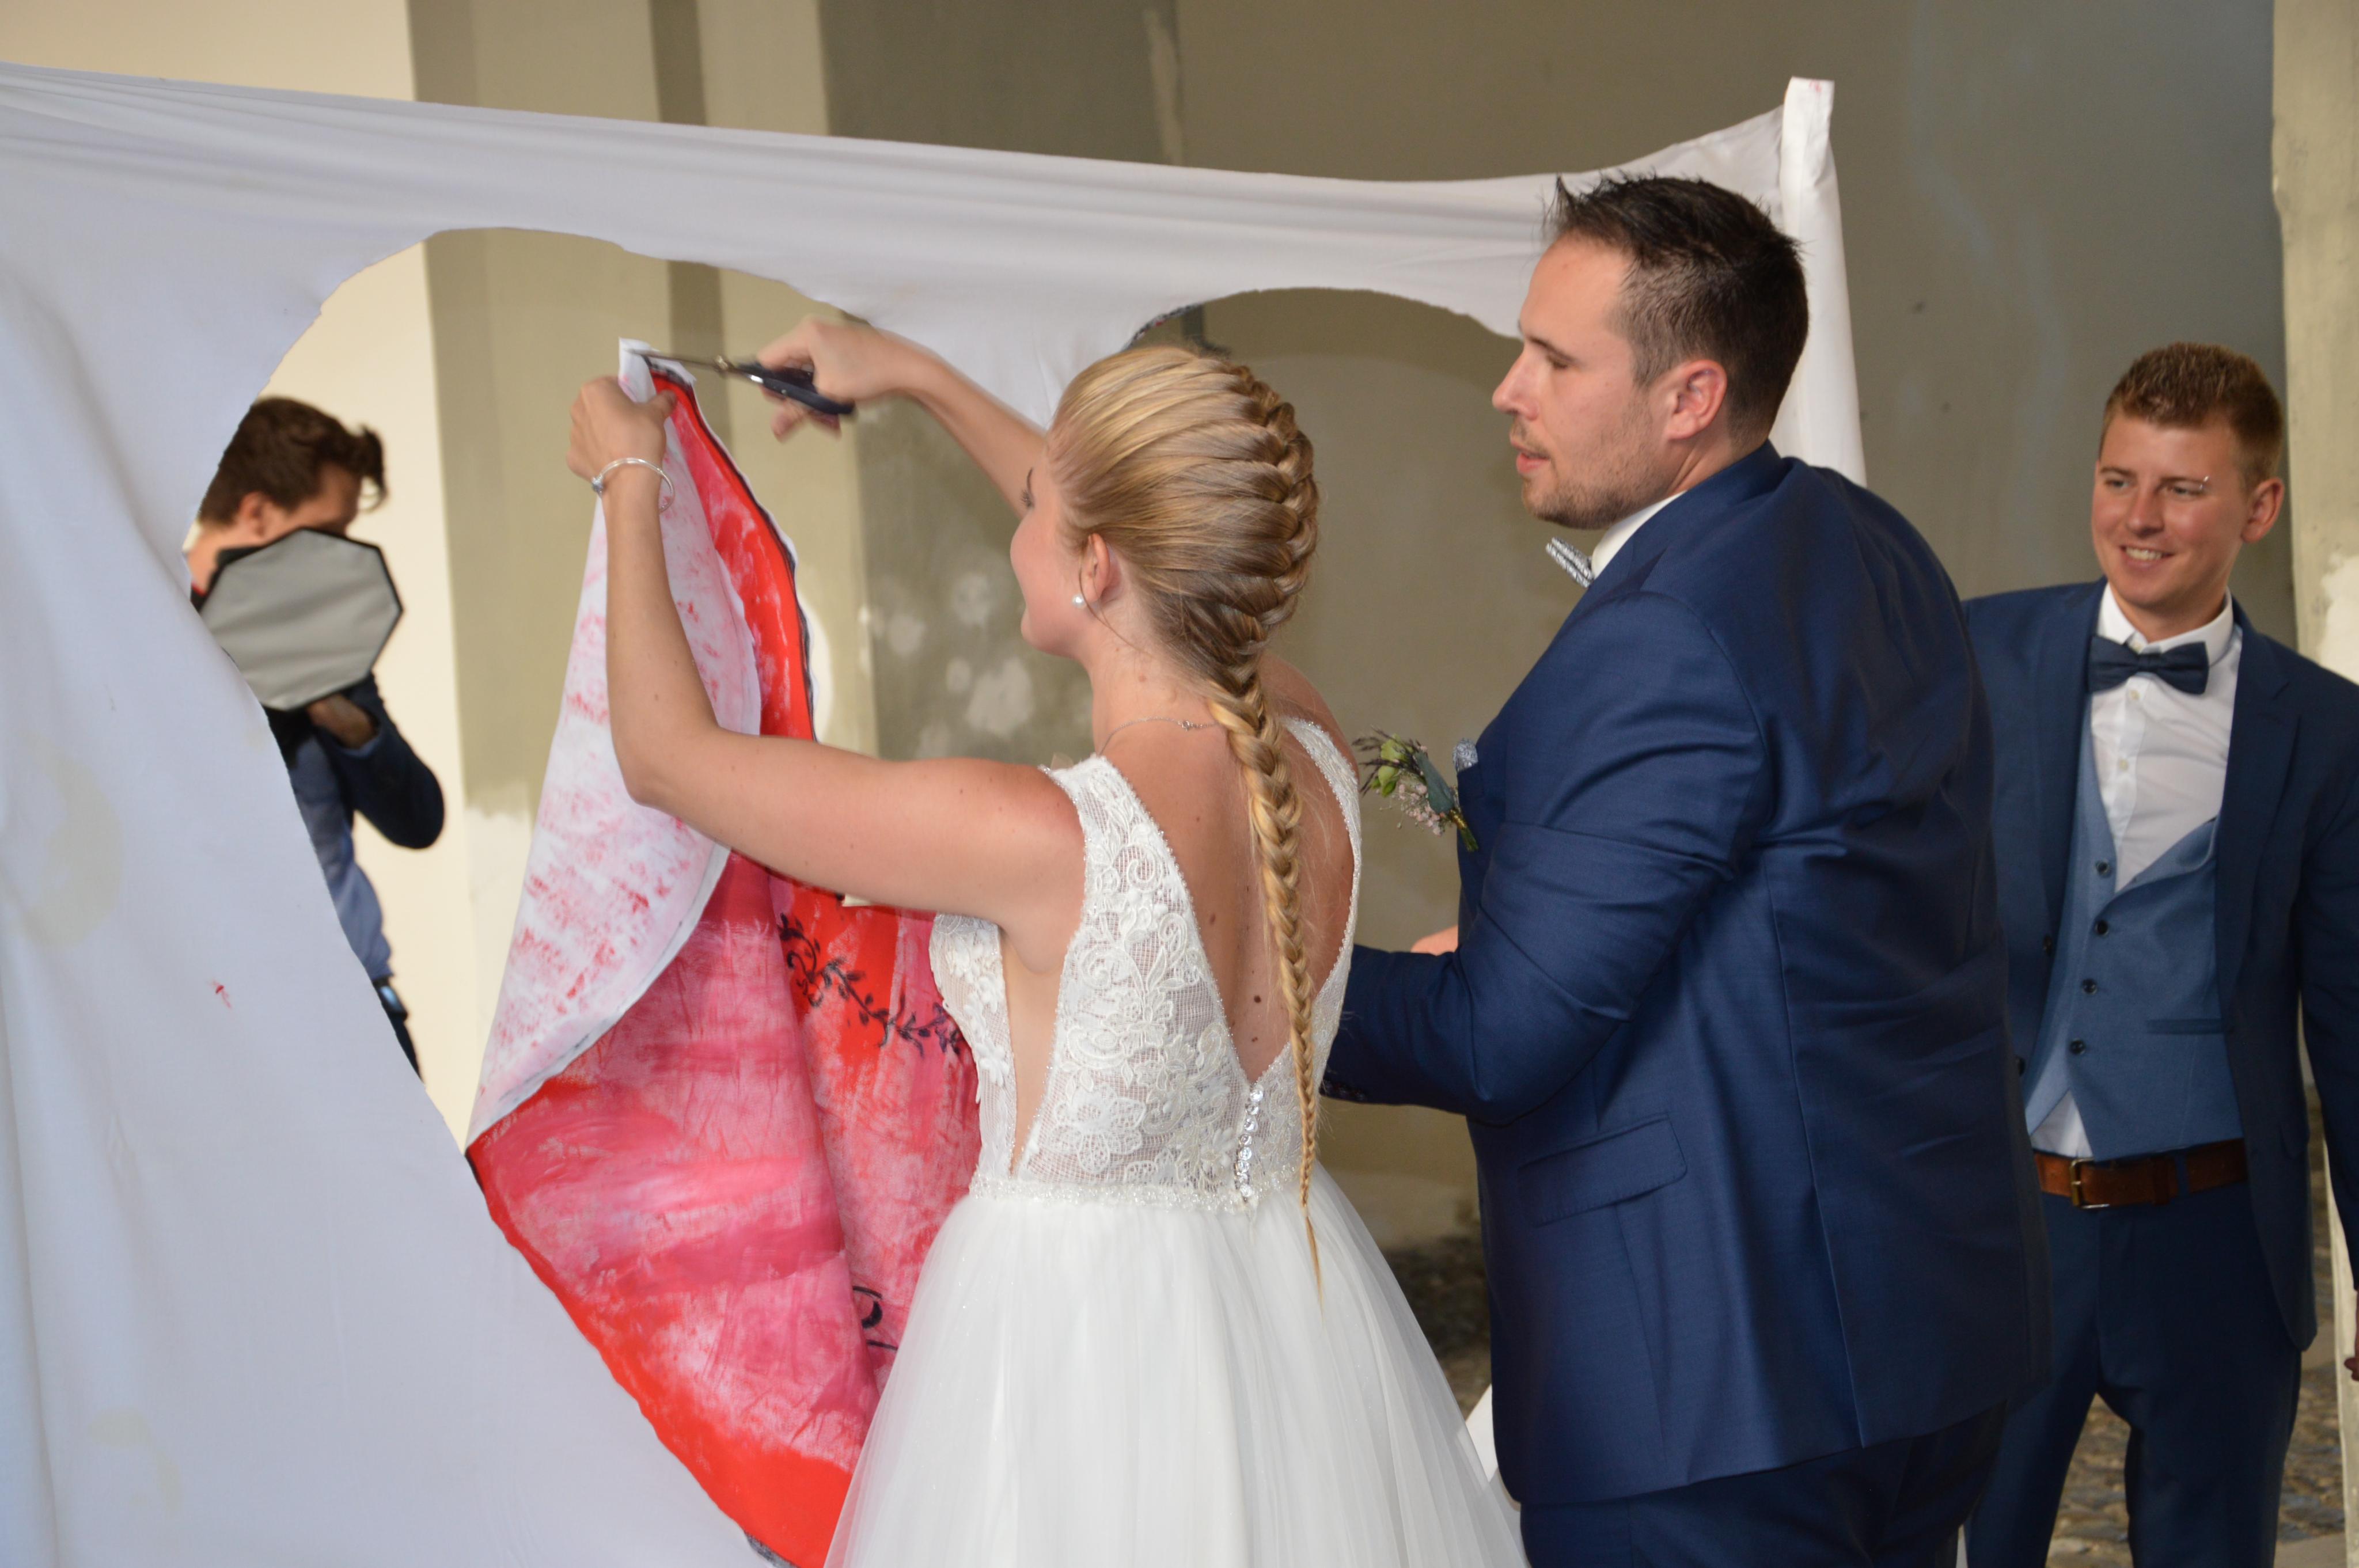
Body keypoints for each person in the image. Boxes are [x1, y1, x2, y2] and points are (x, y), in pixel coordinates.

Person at [563, 325, 1523, 1567]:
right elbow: (1161, 534)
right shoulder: (1309, 741)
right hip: (1289, 1323)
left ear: (1097, 565)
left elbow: (665, 756)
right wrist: (915, 376)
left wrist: (627, 474)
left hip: (1073, 1355)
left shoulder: (1035, 833)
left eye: (1032, 507)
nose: (1017, 518)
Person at [1322, 174, 2049, 1567]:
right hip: (1922, 1337)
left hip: (1714, 1384)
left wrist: (1233, 982)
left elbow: (1494, 1041)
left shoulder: (1661, 631)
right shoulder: (1869, 544)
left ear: (1688, 397)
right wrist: (1536, 942)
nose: (1507, 389)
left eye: (1554, 359)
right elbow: (1802, 905)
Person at [1962, 345, 2359, 1566]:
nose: (2137, 518)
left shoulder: (2325, 728)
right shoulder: (1972, 653)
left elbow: (2350, 1018)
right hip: (2004, 1225)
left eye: (2182, 488)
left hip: (2216, 1237)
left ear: (2258, 505)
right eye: (2117, 478)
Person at [189, 397, 445, 1074]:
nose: (343, 559)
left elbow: (418, 818)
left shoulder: (324, 643)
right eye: (330, 533)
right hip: (217, 1029)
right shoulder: (142, 628)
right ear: (257, 514)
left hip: (355, 1013)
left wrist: (345, 718)